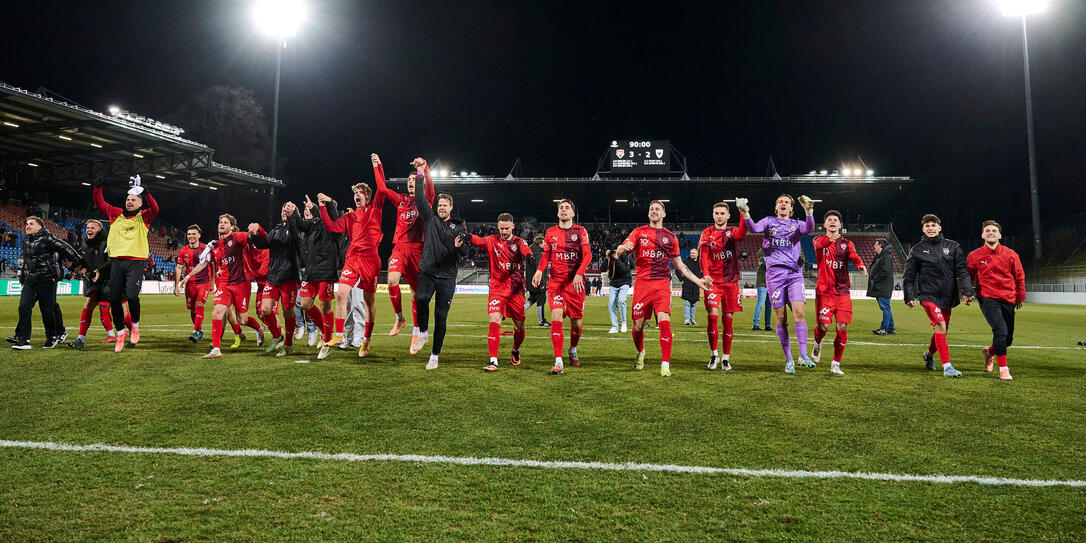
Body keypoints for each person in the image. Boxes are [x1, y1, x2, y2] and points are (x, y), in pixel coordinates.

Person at [615, 200, 708, 376]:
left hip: (661, 284)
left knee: (664, 321)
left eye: (658, 209)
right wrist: (621, 249)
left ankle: (665, 364)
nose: (654, 211)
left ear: (664, 214)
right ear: (648, 213)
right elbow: (622, 248)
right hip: (642, 284)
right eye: (651, 209)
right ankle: (641, 352)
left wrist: (698, 281)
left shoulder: (670, 237)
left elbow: (680, 264)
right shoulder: (638, 232)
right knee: (637, 327)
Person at [317, 153, 389, 358]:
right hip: (353, 259)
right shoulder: (349, 217)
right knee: (341, 294)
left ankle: (366, 339)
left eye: (360, 192)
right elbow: (331, 226)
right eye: (355, 193)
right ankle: (339, 334)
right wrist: (322, 207)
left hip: (371, 261)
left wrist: (377, 166)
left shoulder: (376, 209)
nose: (357, 195)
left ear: (367, 195)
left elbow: (382, 189)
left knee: (368, 303)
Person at [742, 194, 817, 373]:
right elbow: (753, 228)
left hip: (794, 273)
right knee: (781, 317)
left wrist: (809, 211)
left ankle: (803, 355)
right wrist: (746, 213)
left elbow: (810, 228)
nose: (783, 204)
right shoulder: (768, 221)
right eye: (780, 202)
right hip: (775, 274)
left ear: (791, 208)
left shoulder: (797, 224)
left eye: (787, 203)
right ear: (776, 207)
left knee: (799, 312)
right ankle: (789, 358)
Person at [179, 214, 264, 359]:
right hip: (224, 284)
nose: (222, 224)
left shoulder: (238, 237)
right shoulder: (215, 246)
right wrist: (187, 276)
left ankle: (259, 328)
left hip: (241, 284)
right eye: (220, 222)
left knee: (242, 319)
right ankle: (216, 349)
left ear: (231, 226)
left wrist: (257, 229)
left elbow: (255, 238)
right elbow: (204, 263)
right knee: (217, 312)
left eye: (225, 222)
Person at [412, 159, 470, 369]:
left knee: (441, 316)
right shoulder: (430, 218)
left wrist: (458, 246)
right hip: (427, 271)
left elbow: (465, 251)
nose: (441, 207)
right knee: (421, 298)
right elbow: (420, 198)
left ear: (451, 207)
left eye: (445, 205)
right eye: (439, 204)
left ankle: (434, 356)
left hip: (447, 276)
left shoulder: (459, 227)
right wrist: (421, 173)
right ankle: (424, 333)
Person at [902, 214, 974, 377]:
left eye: (933, 225)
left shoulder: (953, 246)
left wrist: (967, 290)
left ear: (939, 228)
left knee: (941, 329)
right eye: (927, 226)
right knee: (940, 325)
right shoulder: (917, 250)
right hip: (928, 295)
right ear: (923, 229)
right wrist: (909, 295)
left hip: (948, 295)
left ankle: (928, 355)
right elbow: (909, 275)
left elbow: (962, 270)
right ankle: (947, 367)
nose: (930, 228)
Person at [92, 175, 158, 352]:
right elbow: (100, 203)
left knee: (131, 296)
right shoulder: (116, 214)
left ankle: (134, 326)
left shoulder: (144, 217)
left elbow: (155, 208)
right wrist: (97, 188)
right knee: (114, 299)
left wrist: (147, 192)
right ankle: (120, 332)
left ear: (139, 203)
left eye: (133, 200)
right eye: (128, 199)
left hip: (135, 262)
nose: (129, 202)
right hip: (117, 262)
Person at [531, 199, 592, 375]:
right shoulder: (550, 233)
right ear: (558, 213)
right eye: (560, 208)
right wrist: (540, 271)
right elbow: (546, 256)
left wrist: (579, 273)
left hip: (575, 284)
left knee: (576, 323)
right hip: (556, 283)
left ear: (573, 213)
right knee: (556, 315)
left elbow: (587, 255)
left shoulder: (580, 232)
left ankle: (573, 349)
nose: (563, 210)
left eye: (567, 208)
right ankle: (558, 361)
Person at [469, 212, 533, 371]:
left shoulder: (519, 242)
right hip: (497, 289)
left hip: (516, 290)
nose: (503, 232)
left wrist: (530, 257)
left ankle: (515, 349)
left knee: (519, 326)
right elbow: (477, 240)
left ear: (513, 226)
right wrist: (464, 233)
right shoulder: (491, 240)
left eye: (506, 228)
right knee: (494, 320)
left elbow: (526, 250)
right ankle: (493, 361)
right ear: (497, 227)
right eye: (501, 229)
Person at [380, 162, 435, 341]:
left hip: (418, 249)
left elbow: (430, 183)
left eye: (414, 179)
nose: (411, 182)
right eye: (409, 180)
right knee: (392, 281)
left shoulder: (425, 198)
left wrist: (424, 167)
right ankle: (399, 318)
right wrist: (378, 165)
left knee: (415, 293)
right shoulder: (401, 200)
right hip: (400, 248)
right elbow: (381, 187)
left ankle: (417, 330)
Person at [10, 216, 83, 350]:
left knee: (47, 311)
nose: (27, 226)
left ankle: (52, 337)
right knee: (24, 307)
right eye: (26, 224)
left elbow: (66, 248)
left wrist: (79, 262)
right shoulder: (26, 241)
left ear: (40, 226)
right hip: (30, 280)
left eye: (31, 224)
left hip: (47, 279)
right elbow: (27, 261)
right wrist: (22, 275)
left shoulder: (48, 238)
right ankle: (24, 340)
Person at [967, 220, 1025, 381]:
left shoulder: (1011, 254)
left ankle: (989, 352)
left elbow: (1019, 277)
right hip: (987, 298)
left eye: (994, 230)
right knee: (1000, 330)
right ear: (982, 235)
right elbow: (968, 276)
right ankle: (1004, 370)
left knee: (1008, 339)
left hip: (1008, 298)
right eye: (987, 230)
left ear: (999, 235)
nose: (990, 232)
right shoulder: (974, 255)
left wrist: (1020, 297)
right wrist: (966, 292)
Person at [811, 210, 867, 375]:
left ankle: (835, 363)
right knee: (823, 327)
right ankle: (817, 342)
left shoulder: (847, 243)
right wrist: (829, 240)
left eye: (836, 220)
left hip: (842, 292)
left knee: (842, 327)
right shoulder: (818, 240)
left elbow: (854, 256)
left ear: (840, 225)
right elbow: (820, 246)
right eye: (830, 220)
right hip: (824, 293)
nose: (833, 221)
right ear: (825, 224)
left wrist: (860, 264)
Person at [697, 201, 748, 370]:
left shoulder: (732, 231)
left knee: (728, 321)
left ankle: (726, 357)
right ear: (713, 215)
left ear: (728, 215)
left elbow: (741, 234)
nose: (719, 216)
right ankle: (714, 354)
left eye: (722, 213)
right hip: (713, 282)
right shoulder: (706, 233)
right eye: (716, 213)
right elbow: (703, 255)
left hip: (731, 282)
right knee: (712, 317)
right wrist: (705, 274)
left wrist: (742, 212)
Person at [250, 202, 301, 356]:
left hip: (289, 276)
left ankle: (289, 344)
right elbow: (263, 244)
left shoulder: (297, 228)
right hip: (273, 276)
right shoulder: (276, 229)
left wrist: (293, 217)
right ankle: (277, 336)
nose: (284, 211)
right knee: (265, 309)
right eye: (283, 209)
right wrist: (255, 233)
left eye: (288, 209)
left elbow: (294, 238)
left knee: (287, 312)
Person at [67, 220, 129, 349]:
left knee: (122, 313)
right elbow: (87, 262)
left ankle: (132, 331)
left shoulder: (108, 242)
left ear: (100, 229)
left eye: (92, 227)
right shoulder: (86, 244)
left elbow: (113, 261)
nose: (89, 229)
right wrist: (76, 267)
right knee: (90, 306)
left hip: (112, 280)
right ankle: (81, 338)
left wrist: (100, 271)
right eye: (87, 227)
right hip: (96, 282)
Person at [296, 196, 342, 353]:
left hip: (326, 270)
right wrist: (293, 213)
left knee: (324, 305)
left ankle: (327, 340)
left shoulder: (335, 224)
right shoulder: (314, 224)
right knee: (305, 304)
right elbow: (301, 224)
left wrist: (328, 203)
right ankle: (325, 332)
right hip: (311, 270)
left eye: (326, 207)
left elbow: (332, 216)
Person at [174, 225, 213, 343]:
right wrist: (176, 286)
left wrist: (213, 282)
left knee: (199, 304)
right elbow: (179, 267)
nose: (191, 236)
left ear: (199, 235)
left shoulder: (205, 249)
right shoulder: (183, 250)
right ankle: (199, 331)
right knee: (192, 310)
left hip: (204, 281)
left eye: (193, 234)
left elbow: (212, 265)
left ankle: (195, 331)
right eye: (189, 234)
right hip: (190, 284)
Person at [868, 238, 896, 335]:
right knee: (886, 307)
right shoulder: (881, 256)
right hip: (882, 286)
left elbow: (885, 271)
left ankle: (884, 329)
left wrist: (875, 279)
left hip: (883, 286)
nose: (874, 246)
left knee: (885, 308)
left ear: (880, 245)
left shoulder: (885, 256)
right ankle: (891, 328)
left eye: (875, 244)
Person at [525, 234, 549, 327]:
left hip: (529, 281)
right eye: (544, 243)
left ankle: (517, 312)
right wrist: (542, 283)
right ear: (540, 243)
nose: (545, 245)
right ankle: (542, 321)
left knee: (532, 298)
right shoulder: (538, 253)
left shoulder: (529, 250)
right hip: (537, 281)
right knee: (541, 299)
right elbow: (540, 268)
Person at [605, 248, 631, 333]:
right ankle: (614, 326)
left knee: (622, 300)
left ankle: (624, 323)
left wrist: (617, 259)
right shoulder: (611, 258)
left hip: (624, 282)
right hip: (613, 283)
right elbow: (602, 268)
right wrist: (607, 258)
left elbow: (625, 270)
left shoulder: (625, 257)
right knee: (611, 303)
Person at [752, 252, 773, 332]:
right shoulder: (763, 256)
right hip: (762, 283)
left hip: (768, 284)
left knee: (768, 306)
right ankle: (755, 325)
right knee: (760, 304)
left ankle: (767, 325)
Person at [680, 248, 701, 326]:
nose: (692, 254)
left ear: (697, 254)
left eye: (693, 253)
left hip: (695, 286)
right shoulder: (686, 261)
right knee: (687, 303)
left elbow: (704, 271)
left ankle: (692, 319)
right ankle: (687, 320)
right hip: (687, 285)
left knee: (694, 303)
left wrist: (701, 278)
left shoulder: (700, 262)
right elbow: (677, 270)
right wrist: (681, 279)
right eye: (691, 253)